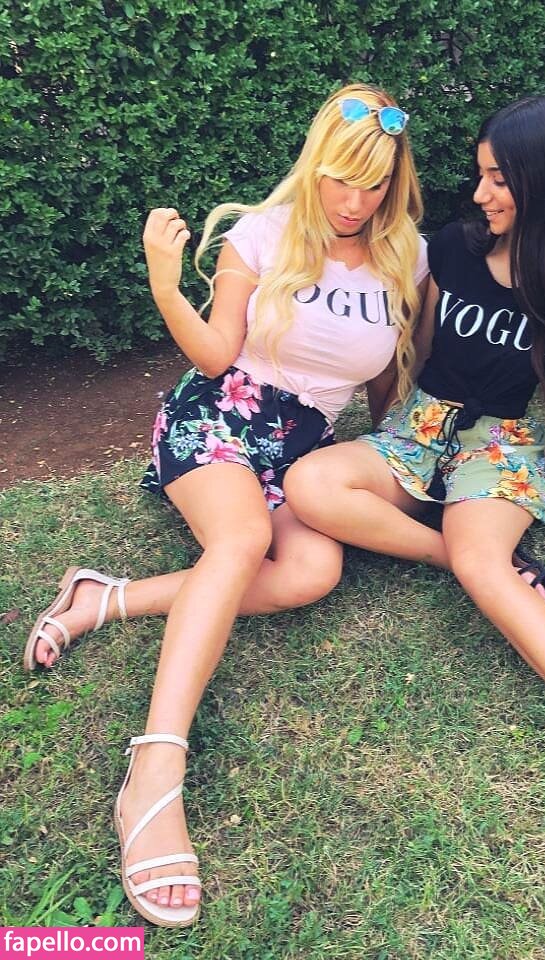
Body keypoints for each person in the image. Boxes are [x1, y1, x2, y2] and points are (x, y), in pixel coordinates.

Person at [24, 83, 430, 927]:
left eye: (373, 184)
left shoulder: (407, 257)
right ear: (315, 165)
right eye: (340, 178)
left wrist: (389, 450)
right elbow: (215, 354)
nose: (353, 202)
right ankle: (155, 770)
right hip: (220, 412)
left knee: (312, 572)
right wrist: (166, 287)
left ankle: (105, 597)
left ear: (395, 182)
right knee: (241, 539)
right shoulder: (265, 235)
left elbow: (389, 376)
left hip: (303, 444)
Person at [284, 95, 545, 884]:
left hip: (497, 443)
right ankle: (470, 560)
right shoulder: (454, 246)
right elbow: (415, 346)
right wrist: (388, 432)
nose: (480, 195)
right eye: (480, 176)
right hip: (420, 428)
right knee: (311, 483)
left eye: (498, 180)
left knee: (482, 561)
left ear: (544, 179)